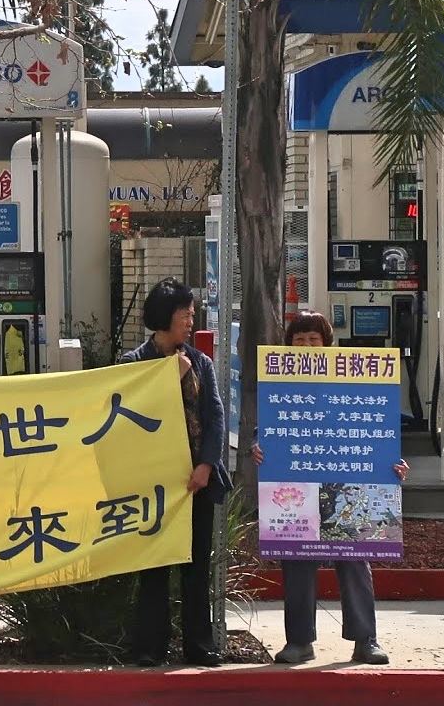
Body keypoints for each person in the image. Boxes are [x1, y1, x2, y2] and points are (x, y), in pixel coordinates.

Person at [252, 310, 410, 666]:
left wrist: (393, 464)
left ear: (327, 344)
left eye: (314, 339)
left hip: (348, 486)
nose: (307, 347)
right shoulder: (278, 382)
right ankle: (299, 642)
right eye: (299, 340)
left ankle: (365, 640)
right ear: (289, 346)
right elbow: (265, 428)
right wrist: (257, 447)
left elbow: (378, 430)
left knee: (355, 560)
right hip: (296, 487)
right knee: (297, 561)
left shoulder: (353, 378)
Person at [121, 277, 233, 667]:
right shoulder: (133, 363)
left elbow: (216, 418)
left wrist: (206, 465)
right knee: (153, 567)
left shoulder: (201, 362)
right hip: (151, 484)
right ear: (165, 316)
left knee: (196, 566)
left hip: (195, 482)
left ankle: (199, 646)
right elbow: (131, 416)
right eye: (185, 313)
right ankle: (150, 647)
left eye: (191, 313)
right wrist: (172, 377)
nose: (190, 320)